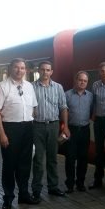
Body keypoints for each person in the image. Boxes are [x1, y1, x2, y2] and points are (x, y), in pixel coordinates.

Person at [0, 58, 39, 209]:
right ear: (10, 69)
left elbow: (32, 107)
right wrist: (2, 134)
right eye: (16, 67)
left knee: (25, 164)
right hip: (10, 128)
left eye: (22, 68)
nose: (20, 70)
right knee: (9, 165)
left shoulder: (29, 86)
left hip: (27, 127)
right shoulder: (2, 86)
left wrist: (28, 123)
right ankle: (8, 198)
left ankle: (24, 195)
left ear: (26, 70)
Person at [31, 61, 70, 201]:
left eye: (48, 70)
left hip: (53, 125)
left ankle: (53, 187)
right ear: (38, 71)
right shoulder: (31, 87)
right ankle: (36, 189)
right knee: (38, 160)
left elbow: (63, 107)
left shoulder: (58, 87)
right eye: (42, 70)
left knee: (53, 159)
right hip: (37, 127)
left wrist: (65, 126)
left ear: (51, 72)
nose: (45, 72)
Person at [65, 71, 93, 193]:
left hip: (85, 130)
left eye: (85, 81)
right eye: (80, 80)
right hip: (71, 130)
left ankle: (80, 183)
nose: (82, 82)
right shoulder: (67, 95)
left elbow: (92, 111)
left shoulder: (91, 96)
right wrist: (65, 128)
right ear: (76, 80)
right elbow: (63, 112)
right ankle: (70, 184)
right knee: (70, 158)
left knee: (83, 158)